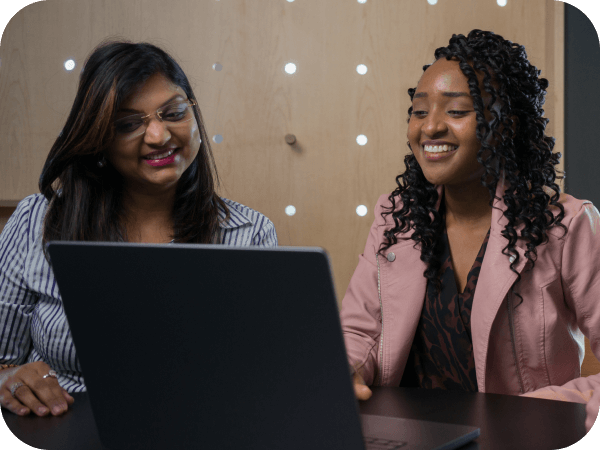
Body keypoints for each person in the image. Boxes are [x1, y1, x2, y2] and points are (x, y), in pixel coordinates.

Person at [0, 41, 277, 417]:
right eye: (129, 124)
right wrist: (9, 378)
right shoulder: (38, 220)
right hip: (61, 426)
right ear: (99, 139)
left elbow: (260, 373)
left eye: (173, 113)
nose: (159, 136)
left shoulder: (251, 233)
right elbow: (2, 360)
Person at [341, 29, 600, 421]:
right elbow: (359, 332)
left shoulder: (566, 225)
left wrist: (533, 415)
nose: (430, 128)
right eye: (419, 111)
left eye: (457, 111)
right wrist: (346, 368)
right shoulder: (395, 217)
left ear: (507, 124)